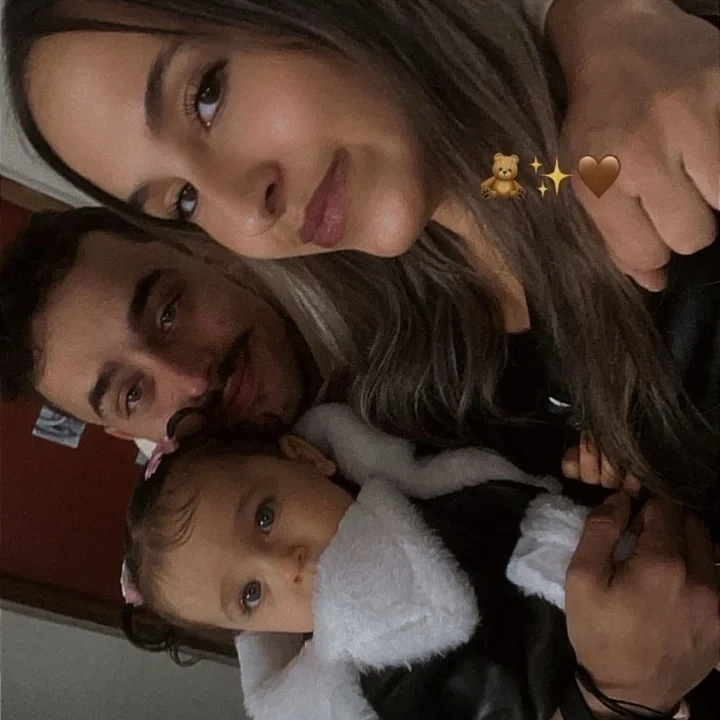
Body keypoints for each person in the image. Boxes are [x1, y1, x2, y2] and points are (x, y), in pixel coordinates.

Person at [2, 207, 719, 716]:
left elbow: (546, 181)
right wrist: (620, 700)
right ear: (123, 432)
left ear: (207, 254)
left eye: (167, 311)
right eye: (132, 393)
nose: (190, 380)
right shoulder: (226, 565)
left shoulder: (393, 248)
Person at [119, 403, 717, 719]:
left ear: (305, 457)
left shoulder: (433, 457)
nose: (287, 566)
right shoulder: (371, 687)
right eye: (251, 595)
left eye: (265, 517)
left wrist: (588, 464)